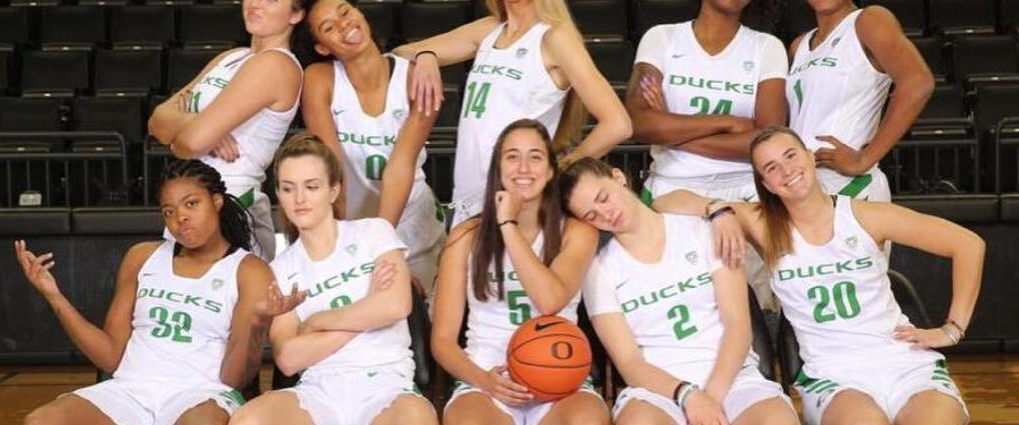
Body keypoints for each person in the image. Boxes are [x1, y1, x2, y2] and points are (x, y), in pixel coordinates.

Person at [665, 125, 985, 425]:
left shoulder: (865, 215)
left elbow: (968, 243)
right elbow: (664, 203)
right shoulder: (762, 222)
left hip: (903, 360)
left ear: (811, 158)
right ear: (764, 182)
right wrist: (717, 209)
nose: (786, 171)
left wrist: (951, 329)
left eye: (791, 157)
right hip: (833, 372)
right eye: (771, 169)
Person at [14, 160, 283, 425]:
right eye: (169, 211)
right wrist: (55, 297)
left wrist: (255, 326)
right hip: (131, 392)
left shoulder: (248, 269)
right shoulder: (142, 258)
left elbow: (236, 377)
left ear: (216, 202)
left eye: (191, 204)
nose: (180, 219)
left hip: (200, 395)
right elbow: (110, 356)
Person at [558, 156, 801, 425]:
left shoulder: (702, 229)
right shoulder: (598, 270)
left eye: (603, 197)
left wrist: (712, 397)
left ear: (620, 176)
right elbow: (630, 363)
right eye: (591, 214)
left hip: (731, 377)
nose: (606, 213)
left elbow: (738, 325)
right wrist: (689, 396)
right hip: (660, 389)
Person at [225, 133, 453, 425]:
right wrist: (361, 312)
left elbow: (397, 306)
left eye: (311, 186)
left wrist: (318, 320)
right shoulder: (280, 268)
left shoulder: (373, 233)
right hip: (320, 393)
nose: (299, 198)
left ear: (333, 190)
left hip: (385, 386)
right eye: (288, 188)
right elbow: (290, 359)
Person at [431, 119, 607, 425]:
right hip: (489, 378)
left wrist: (509, 225)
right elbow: (443, 341)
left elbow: (550, 300)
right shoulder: (465, 238)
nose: (523, 167)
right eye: (512, 156)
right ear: (497, 169)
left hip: (561, 380)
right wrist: (483, 379)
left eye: (535, 157)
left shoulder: (576, 231)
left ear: (551, 171)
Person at [393, 0, 632, 226]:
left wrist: (560, 170)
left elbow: (618, 124)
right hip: (468, 197)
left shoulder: (554, 36)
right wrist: (426, 55)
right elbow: (401, 53)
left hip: (518, 201)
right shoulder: (490, 29)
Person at [628, 0, 786, 313]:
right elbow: (637, 122)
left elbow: (766, 138)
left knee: (759, 314)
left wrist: (674, 130)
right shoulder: (662, 39)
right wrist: (725, 123)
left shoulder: (766, 48)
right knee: (681, 309)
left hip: (746, 195)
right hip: (673, 196)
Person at [301, 0, 446, 296]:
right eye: (329, 27)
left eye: (345, 12)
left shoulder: (415, 76)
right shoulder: (319, 79)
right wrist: (349, 247)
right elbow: (332, 171)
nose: (344, 25)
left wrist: (382, 246)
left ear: (360, 14)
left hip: (412, 224)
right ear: (322, 47)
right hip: (351, 227)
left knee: (418, 323)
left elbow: (400, 166)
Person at [148, 0, 308, 260]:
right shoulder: (231, 57)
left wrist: (188, 133)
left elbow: (188, 143)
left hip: (232, 201)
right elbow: (156, 122)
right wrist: (201, 126)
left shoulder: (278, 64)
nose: (256, 4)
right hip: (190, 198)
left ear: (297, 14)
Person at [785, 0, 933, 202]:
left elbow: (918, 83)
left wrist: (865, 158)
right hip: (804, 183)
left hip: (851, 184)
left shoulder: (870, 20)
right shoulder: (799, 45)